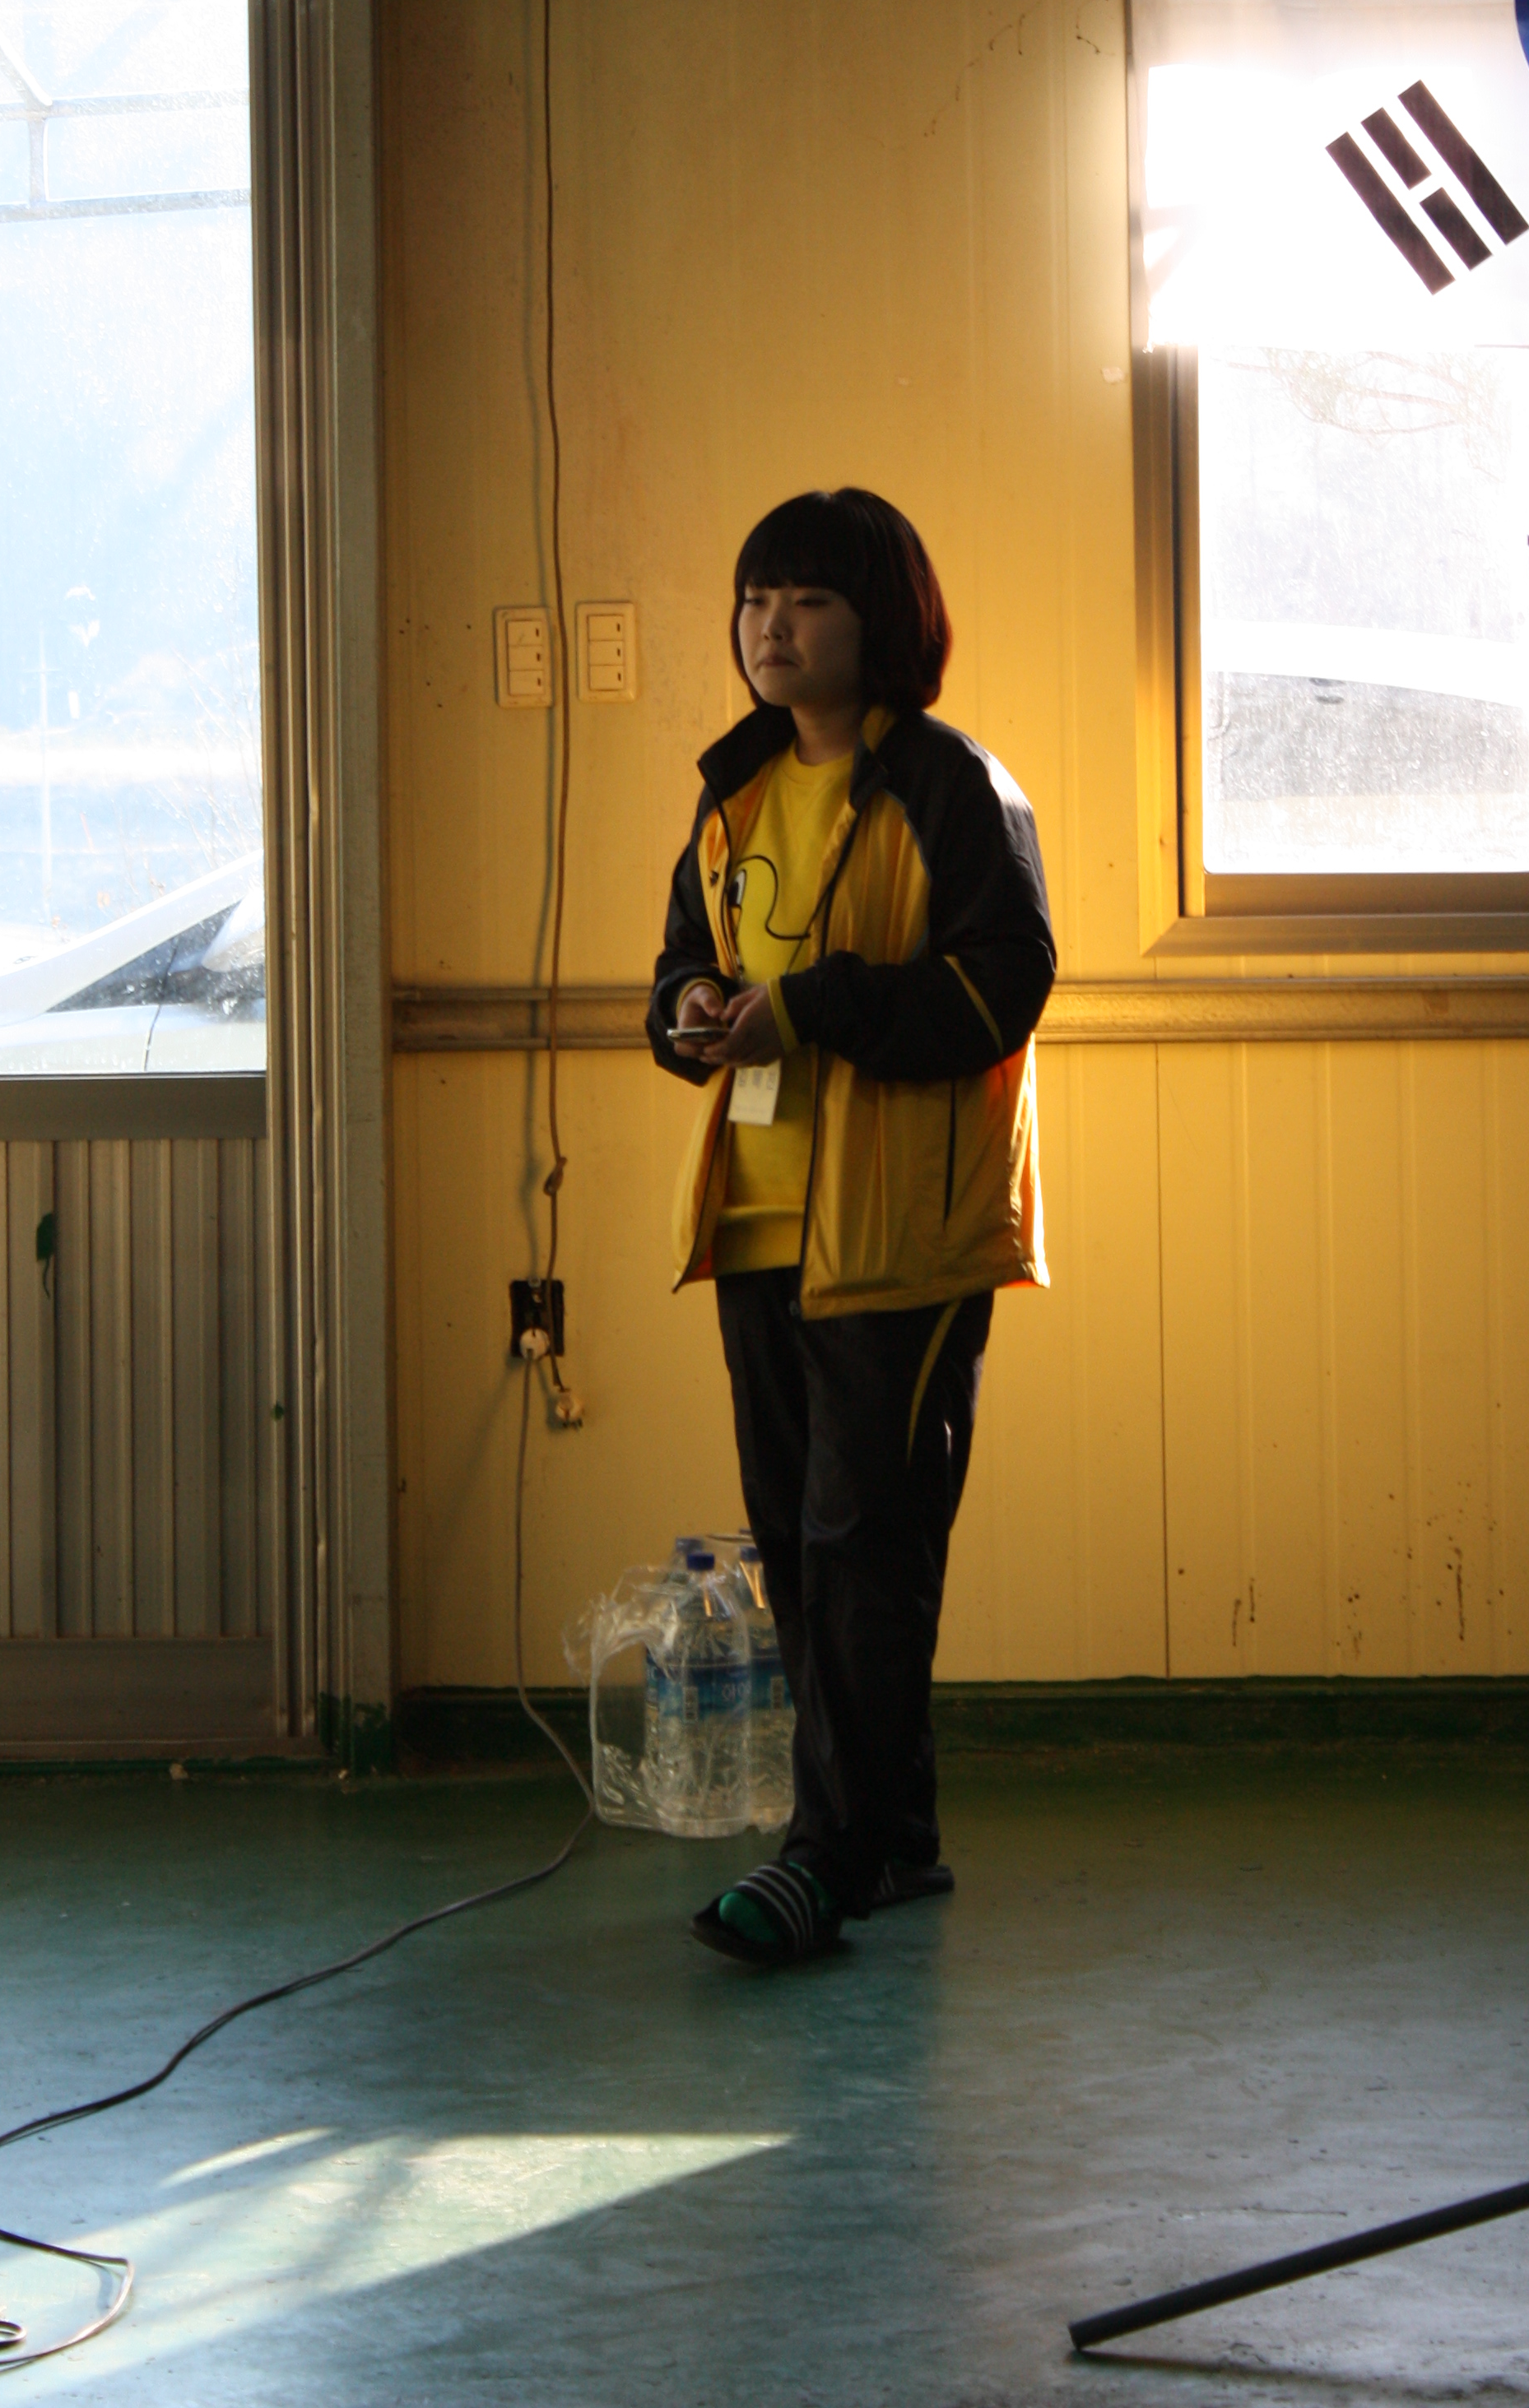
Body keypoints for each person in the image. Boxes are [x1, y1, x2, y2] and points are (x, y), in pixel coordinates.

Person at [647, 486, 1054, 1968]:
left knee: (866, 1547)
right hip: (759, 1221)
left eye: (808, 600)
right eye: (757, 598)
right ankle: (893, 1838)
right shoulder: (737, 790)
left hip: (904, 1235)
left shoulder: (953, 785)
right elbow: (678, 967)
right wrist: (689, 1012)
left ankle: (822, 1859)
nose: (772, 627)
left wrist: (811, 1008)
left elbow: (1002, 985)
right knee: (805, 1552)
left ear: (880, 620)